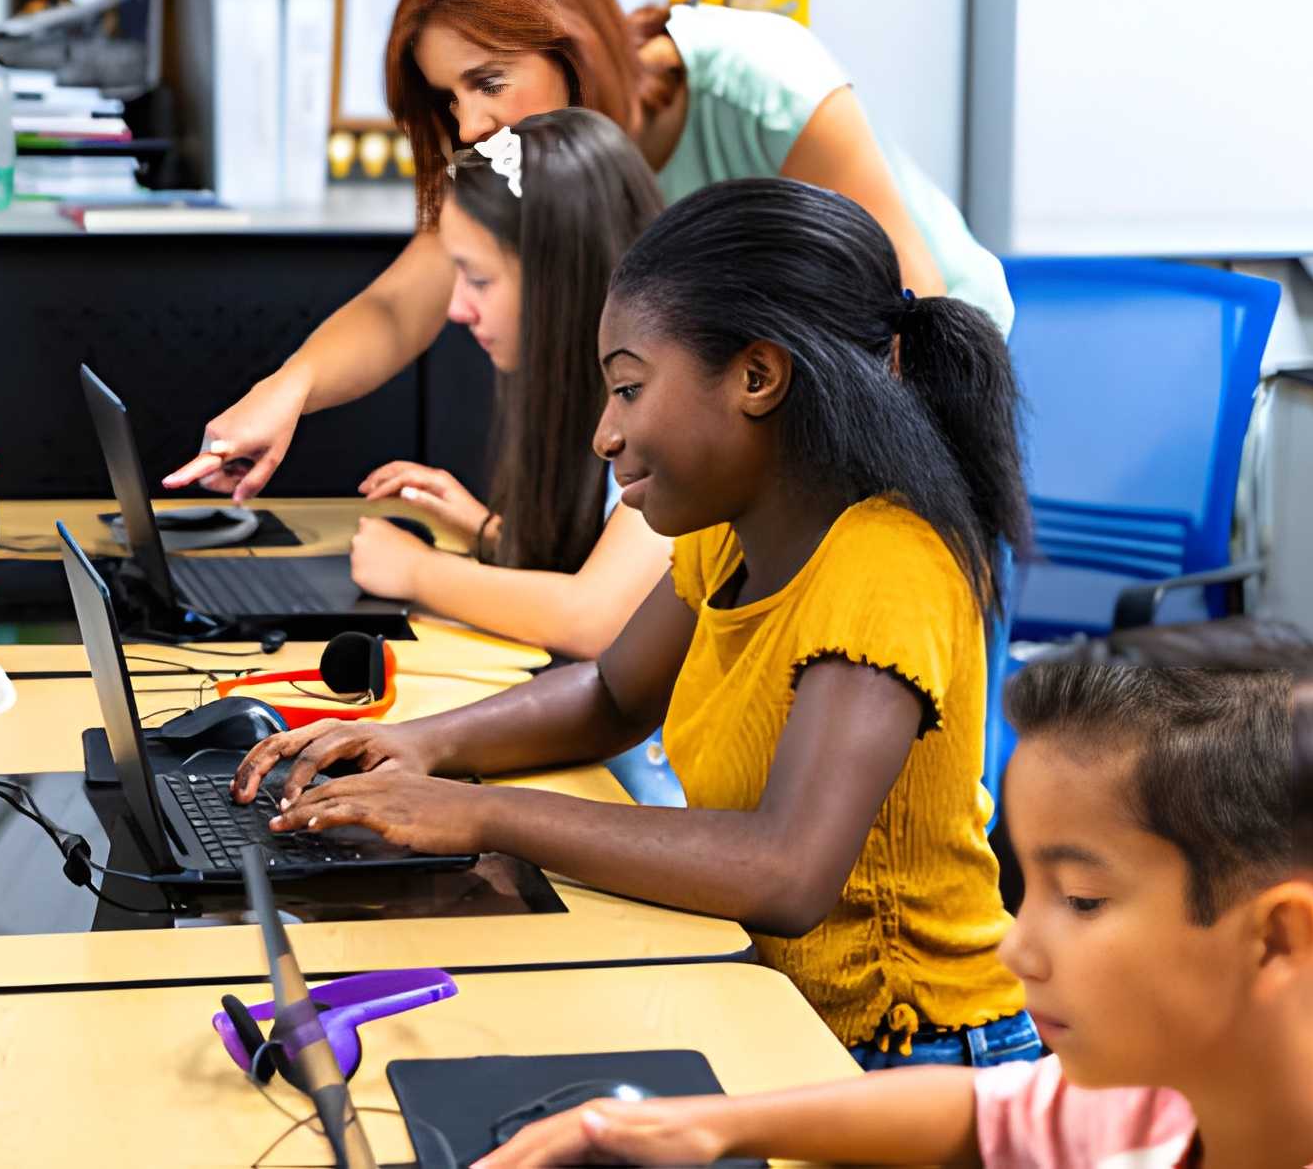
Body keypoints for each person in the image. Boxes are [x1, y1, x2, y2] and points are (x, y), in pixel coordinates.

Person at [230, 178, 1033, 1063]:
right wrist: (418, 746)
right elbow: (613, 695)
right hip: (776, 1004)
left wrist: (481, 814)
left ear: (757, 377)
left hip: (909, 1049)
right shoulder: (734, 532)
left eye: (629, 389)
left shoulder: (885, 561)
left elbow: (786, 870)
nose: (605, 436)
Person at [475, 666, 1313, 1169]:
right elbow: (979, 1109)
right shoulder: (1169, 1091)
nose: (1015, 943)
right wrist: (704, 1125)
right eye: (1025, 887)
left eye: (1081, 900)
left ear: (1276, 938)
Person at [168, 0, 1011, 503]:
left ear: (568, 46)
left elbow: (910, 304)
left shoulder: (761, 81)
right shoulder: (526, 164)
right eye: (449, 100)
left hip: (926, 369)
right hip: (757, 405)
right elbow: (403, 302)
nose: (470, 124)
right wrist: (286, 389)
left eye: (488, 82)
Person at [345, 108, 669, 661]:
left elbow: (596, 618)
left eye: (478, 278)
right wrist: (486, 531)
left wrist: (418, 571)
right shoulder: (599, 387)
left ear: (558, 278)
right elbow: (615, 569)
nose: (456, 308)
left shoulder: (675, 405)